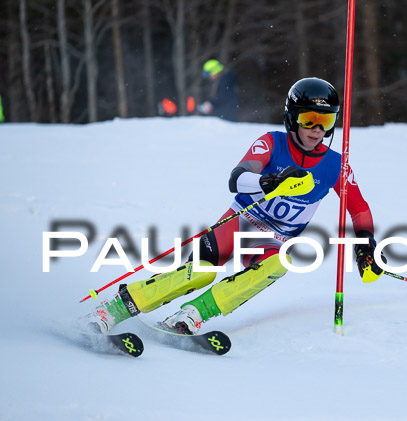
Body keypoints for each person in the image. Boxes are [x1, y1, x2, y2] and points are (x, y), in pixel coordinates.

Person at [78, 77, 384, 335]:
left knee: (280, 264)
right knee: (201, 272)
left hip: (273, 242)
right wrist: (270, 182)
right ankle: (112, 310)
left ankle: (194, 314)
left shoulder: (334, 165)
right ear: (293, 117)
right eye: (309, 120)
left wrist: (365, 244)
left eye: (326, 121)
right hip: (239, 222)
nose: (317, 130)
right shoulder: (272, 143)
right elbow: (237, 179)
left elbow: (358, 208)